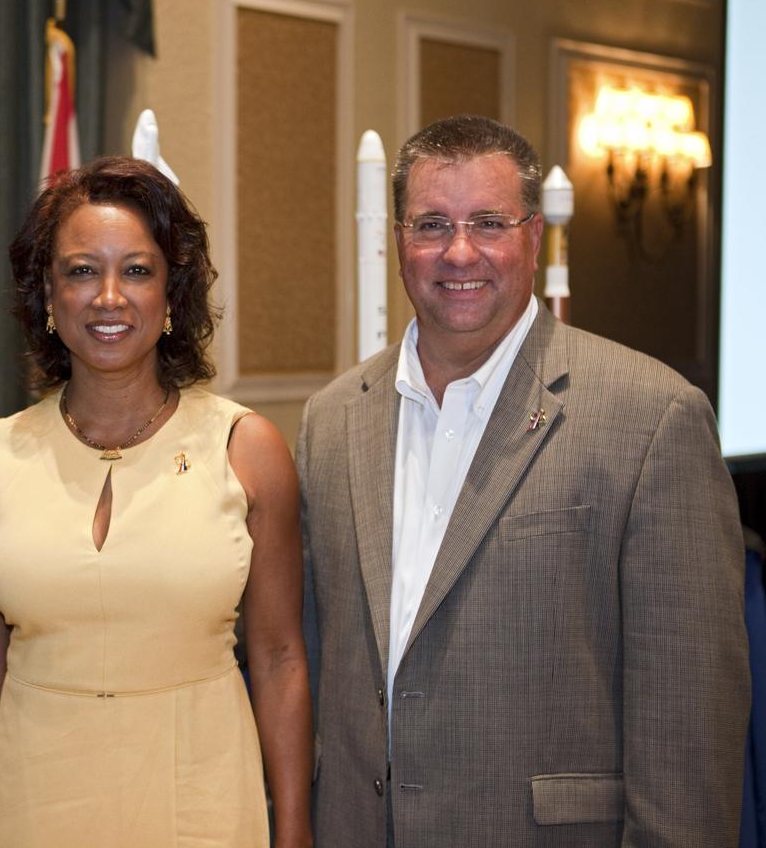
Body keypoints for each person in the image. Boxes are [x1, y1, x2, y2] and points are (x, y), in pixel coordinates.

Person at [297, 115, 748, 845]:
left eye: (489, 222)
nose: (460, 250)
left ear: (535, 238)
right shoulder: (331, 424)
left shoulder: (654, 418)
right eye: (432, 223)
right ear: (398, 240)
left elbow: (687, 727)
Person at [0, 156, 313, 848]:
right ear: (47, 295)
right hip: (33, 803)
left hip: (200, 802)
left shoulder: (247, 449)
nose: (109, 295)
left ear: (173, 294)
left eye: (137, 270)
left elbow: (281, 656)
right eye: (82, 270)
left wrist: (294, 830)